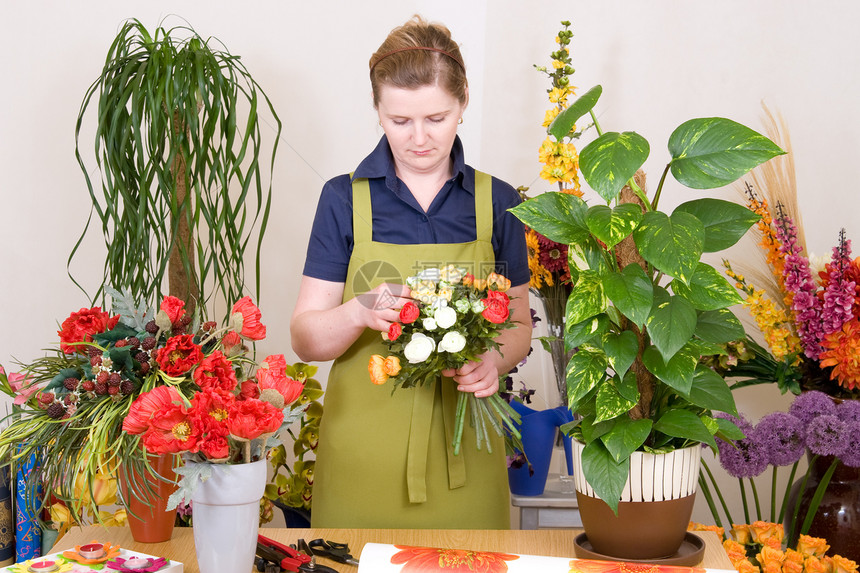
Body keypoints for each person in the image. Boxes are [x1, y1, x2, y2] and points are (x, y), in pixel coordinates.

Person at [291, 15, 531, 529]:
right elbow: (306, 338)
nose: (419, 138)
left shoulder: (498, 203)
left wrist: (492, 360)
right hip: (361, 456)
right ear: (377, 111)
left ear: (463, 102)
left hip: (465, 453)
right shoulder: (343, 200)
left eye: (436, 118)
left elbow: (518, 325)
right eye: (400, 121)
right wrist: (358, 310)